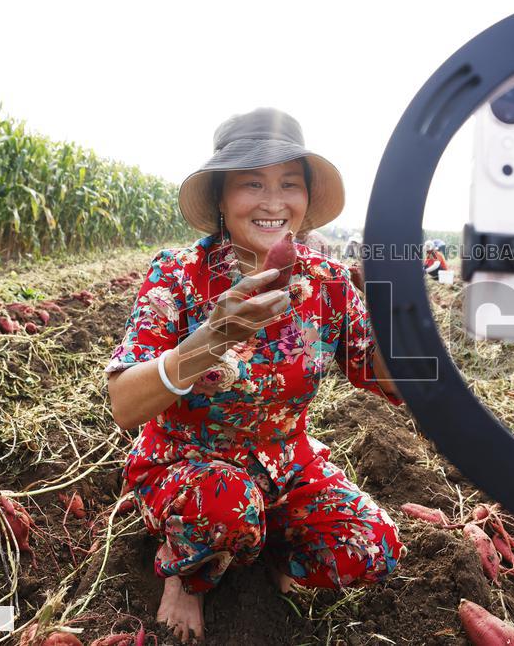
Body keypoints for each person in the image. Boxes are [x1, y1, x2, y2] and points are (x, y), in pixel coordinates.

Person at [104, 108, 406, 643]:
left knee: (372, 545)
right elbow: (125, 404)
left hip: (286, 467)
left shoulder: (327, 283)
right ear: (221, 199)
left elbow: (390, 381)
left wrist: (392, 313)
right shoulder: (177, 276)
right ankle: (186, 569)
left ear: (307, 198)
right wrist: (210, 338)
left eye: (289, 184)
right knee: (224, 502)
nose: (273, 202)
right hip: (188, 466)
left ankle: (265, 559)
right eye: (252, 184)